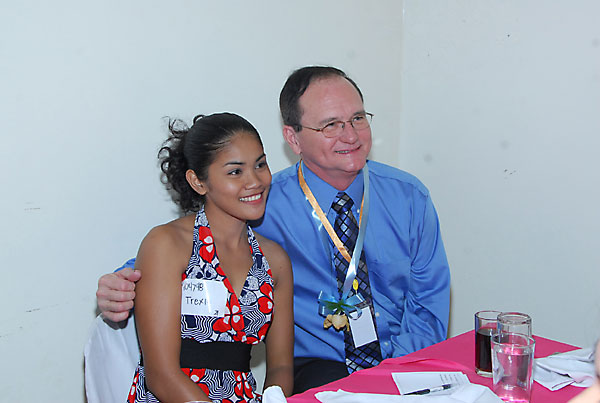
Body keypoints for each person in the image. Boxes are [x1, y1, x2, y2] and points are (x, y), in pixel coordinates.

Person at [97, 66, 450, 394]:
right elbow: (188, 251)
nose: (351, 135)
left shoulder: (409, 197)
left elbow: (428, 303)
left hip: (401, 359)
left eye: (357, 118)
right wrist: (122, 281)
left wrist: (392, 377)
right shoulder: (262, 203)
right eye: (330, 125)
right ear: (293, 139)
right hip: (319, 364)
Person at [125, 113, 293, 403]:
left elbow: (281, 367)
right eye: (235, 172)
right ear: (198, 182)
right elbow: (161, 375)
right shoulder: (167, 245)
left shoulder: (274, 260)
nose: (255, 181)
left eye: (260, 165)